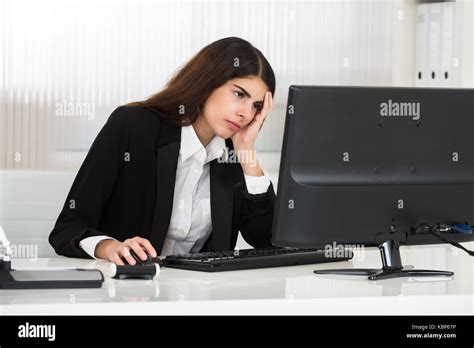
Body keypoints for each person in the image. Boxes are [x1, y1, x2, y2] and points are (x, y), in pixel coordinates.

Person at [49, 37, 276, 265]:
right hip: (126, 290)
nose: (246, 114)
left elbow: (268, 241)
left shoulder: (233, 155)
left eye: (256, 106)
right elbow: (67, 229)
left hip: (198, 295)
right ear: (208, 82)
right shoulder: (133, 127)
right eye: (239, 94)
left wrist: (247, 151)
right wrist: (110, 247)